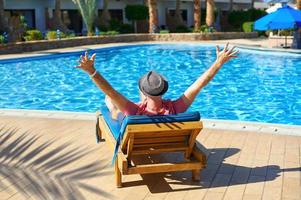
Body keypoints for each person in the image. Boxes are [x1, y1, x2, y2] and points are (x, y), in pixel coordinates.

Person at [76, 43, 238, 118]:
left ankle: (111, 107)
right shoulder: (176, 108)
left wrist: (91, 71)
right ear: (164, 89)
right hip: (166, 135)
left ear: (144, 93)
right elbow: (200, 84)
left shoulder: (133, 111)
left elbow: (110, 91)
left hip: (136, 131)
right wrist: (218, 63)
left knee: (113, 107)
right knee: (113, 100)